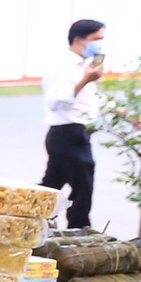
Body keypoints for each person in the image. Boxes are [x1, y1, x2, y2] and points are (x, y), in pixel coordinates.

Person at [41, 17, 105, 231]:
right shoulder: (62, 66)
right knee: (83, 185)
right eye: (96, 39)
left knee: (50, 187)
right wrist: (85, 80)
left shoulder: (86, 66)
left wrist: (125, 113)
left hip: (79, 132)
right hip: (66, 132)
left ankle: (24, 216)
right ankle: (80, 228)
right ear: (79, 40)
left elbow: (91, 99)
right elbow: (54, 102)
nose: (100, 45)